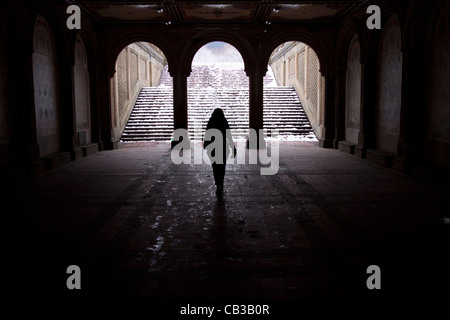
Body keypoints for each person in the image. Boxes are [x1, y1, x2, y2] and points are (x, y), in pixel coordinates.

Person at [203, 108, 235, 193]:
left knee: (215, 167)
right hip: (223, 147)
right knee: (222, 166)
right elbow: (229, 136)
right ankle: (221, 182)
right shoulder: (224, 122)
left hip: (213, 149)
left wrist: (206, 145)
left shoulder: (211, 122)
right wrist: (233, 148)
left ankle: (217, 183)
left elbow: (207, 135)